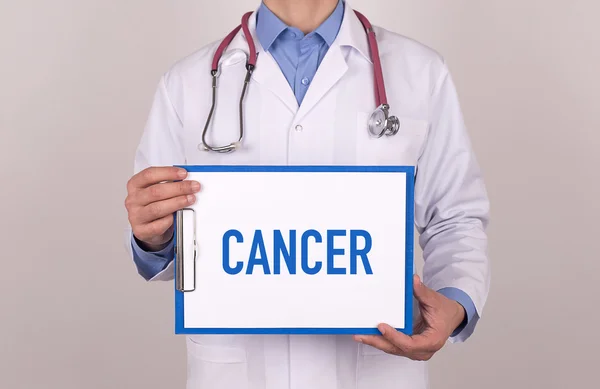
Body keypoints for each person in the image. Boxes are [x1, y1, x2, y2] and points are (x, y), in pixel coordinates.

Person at [124, 0, 490, 387]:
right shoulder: (187, 83)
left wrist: (455, 301)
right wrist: (153, 236)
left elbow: (455, 217)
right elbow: (163, 238)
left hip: (375, 370)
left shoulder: (420, 72)